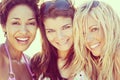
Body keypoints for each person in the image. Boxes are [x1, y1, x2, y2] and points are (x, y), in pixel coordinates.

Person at [30, 0, 87, 80]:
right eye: (51, 31)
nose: (60, 37)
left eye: (66, 27)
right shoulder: (38, 62)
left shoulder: (91, 59)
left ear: (75, 25)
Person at [73, 0, 120, 80]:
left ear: (110, 27)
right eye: (83, 33)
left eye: (94, 29)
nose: (87, 40)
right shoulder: (87, 68)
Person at [0, 0, 39, 80]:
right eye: (16, 23)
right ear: (4, 26)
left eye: (31, 23)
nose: (24, 31)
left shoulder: (31, 64)